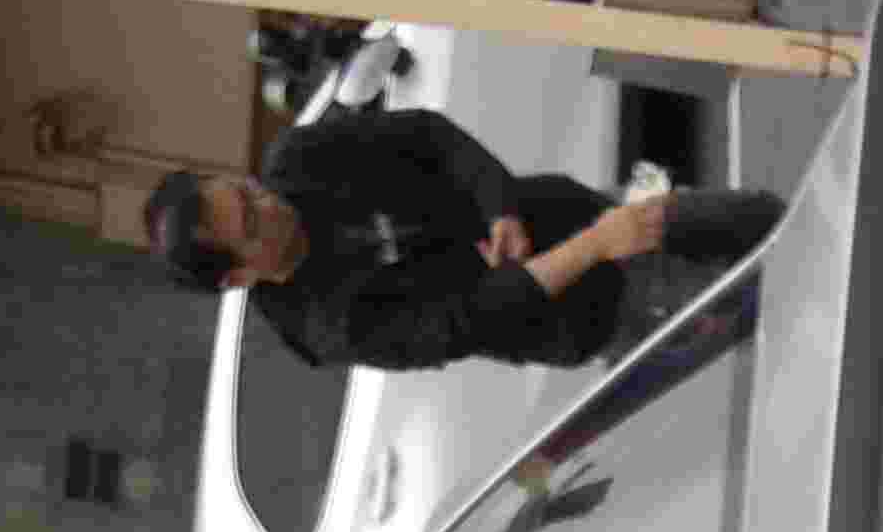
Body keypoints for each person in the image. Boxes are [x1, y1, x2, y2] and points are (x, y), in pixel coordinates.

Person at [145, 110, 785, 374]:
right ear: (237, 276)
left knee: (767, 216)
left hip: (586, 211)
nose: (269, 203)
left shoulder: (302, 157)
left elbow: (428, 136)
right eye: (252, 225)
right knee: (794, 302)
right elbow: (474, 320)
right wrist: (595, 247)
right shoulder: (330, 326)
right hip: (604, 308)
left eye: (247, 190)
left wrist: (498, 205)